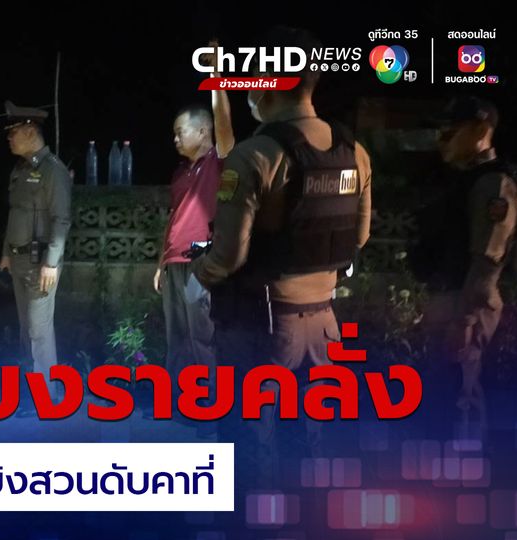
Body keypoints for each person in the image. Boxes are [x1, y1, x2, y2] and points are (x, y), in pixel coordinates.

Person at [191, 26, 373, 485]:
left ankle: (250, 518)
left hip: (263, 328)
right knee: (308, 445)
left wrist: (199, 270)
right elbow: (359, 238)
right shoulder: (355, 153)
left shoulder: (257, 156)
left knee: (248, 446)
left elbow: (228, 257)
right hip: (325, 326)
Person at [429, 96, 517, 433]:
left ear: (481, 131)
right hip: (454, 297)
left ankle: (462, 460)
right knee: (447, 392)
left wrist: (464, 322)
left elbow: (487, 260)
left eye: (450, 133)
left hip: (466, 302)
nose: (441, 141)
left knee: (461, 395)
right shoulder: (468, 179)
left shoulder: (493, 184)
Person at [156, 43, 234, 425]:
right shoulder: (180, 173)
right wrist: (160, 263)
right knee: (177, 340)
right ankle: (179, 405)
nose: (174, 138)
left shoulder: (218, 161)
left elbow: (224, 124)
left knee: (201, 338)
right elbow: (173, 219)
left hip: (200, 263)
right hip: (173, 264)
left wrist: (217, 77)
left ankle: (208, 410)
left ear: (202, 131)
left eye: (179, 132)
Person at [0, 101, 71, 410]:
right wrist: (5, 254)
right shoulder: (20, 170)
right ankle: (33, 389)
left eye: (13, 132)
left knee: (38, 330)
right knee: (26, 327)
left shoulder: (53, 170)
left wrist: (51, 262)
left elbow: (61, 219)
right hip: (18, 261)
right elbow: (15, 214)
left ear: (30, 131)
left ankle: (44, 395)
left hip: (41, 262)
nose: (9, 138)